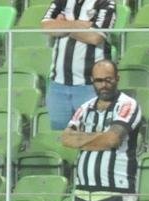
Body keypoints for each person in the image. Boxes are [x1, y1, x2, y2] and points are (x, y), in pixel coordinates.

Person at [60, 59, 144, 201]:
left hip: (115, 192)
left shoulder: (127, 105)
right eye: (98, 81)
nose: (103, 85)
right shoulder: (85, 107)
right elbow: (65, 138)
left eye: (108, 80)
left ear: (117, 78)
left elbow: (112, 139)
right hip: (82, 193)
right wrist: (99, 138)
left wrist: (81, 139)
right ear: (92, 80)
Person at [41, 0, 118, 131]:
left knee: (91, 136)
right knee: (61, 139)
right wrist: (79, 25)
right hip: (58, 86)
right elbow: (45, 27)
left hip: (90, 87)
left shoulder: (105, 2)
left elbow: (95, 37)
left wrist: (62, 25)